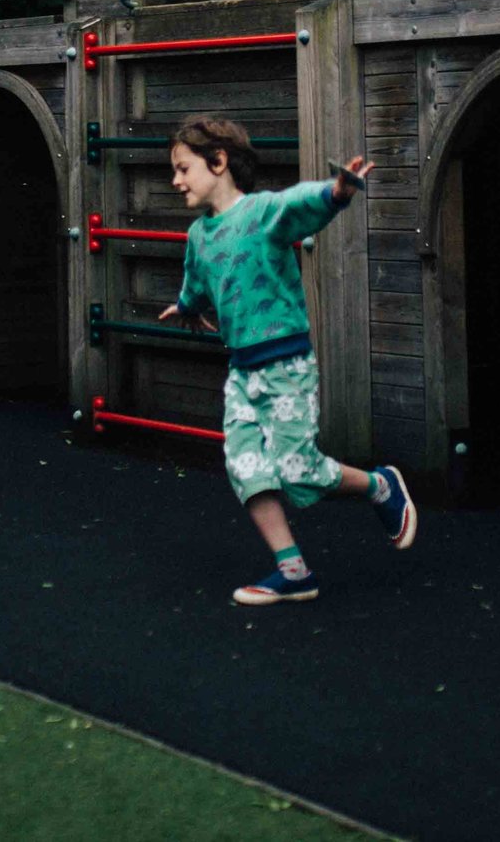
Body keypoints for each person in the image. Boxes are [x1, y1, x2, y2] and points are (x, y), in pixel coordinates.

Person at [157, 115, 415, 606]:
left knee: (299, 470)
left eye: (183, 169)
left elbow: (300, 204)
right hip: (242, 372)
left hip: (286, 369)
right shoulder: (198, 235)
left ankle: (379, 485)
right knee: (246, 467)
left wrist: (336, 192)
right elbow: (197, 279)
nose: (175, 181)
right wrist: (187, 306)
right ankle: (292, 569)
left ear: (219, 162)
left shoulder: (261, 213)